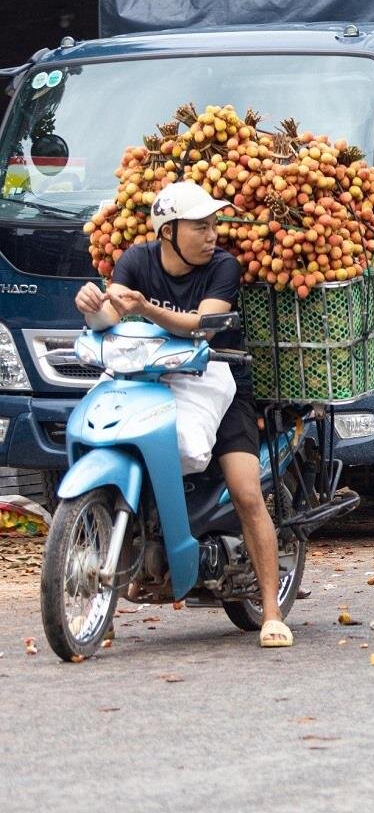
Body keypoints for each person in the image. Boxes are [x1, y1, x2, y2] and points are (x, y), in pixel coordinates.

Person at [73, 182, 292, 648]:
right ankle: (105, 600)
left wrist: (145, 307)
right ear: (168, 231)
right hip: (151, 377)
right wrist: (93, 308)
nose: (212, 234)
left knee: (247, 491)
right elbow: (110, 313)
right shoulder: (136, 259)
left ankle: (272, 612)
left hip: (220, 379)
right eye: (201, 226)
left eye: (214, 225)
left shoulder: (222, 267)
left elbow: (203, 324)